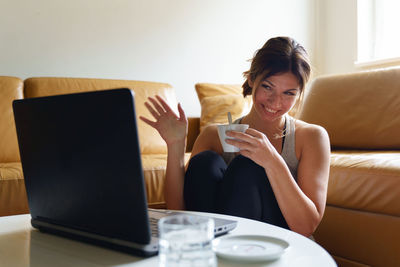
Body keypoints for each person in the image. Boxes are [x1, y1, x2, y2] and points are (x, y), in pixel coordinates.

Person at [139, 36, 330, 237]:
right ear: (252, 79)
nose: (276, 102)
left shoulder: (312, 137)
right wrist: (176, 145)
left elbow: (307, 226)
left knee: (246, 166)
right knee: (205, 162)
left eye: (289, 93)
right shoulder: (213, 136)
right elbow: (180, 212)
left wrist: (272, 162)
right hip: (217, 243)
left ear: (299, 93)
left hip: (277, 241)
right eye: (267, 87)